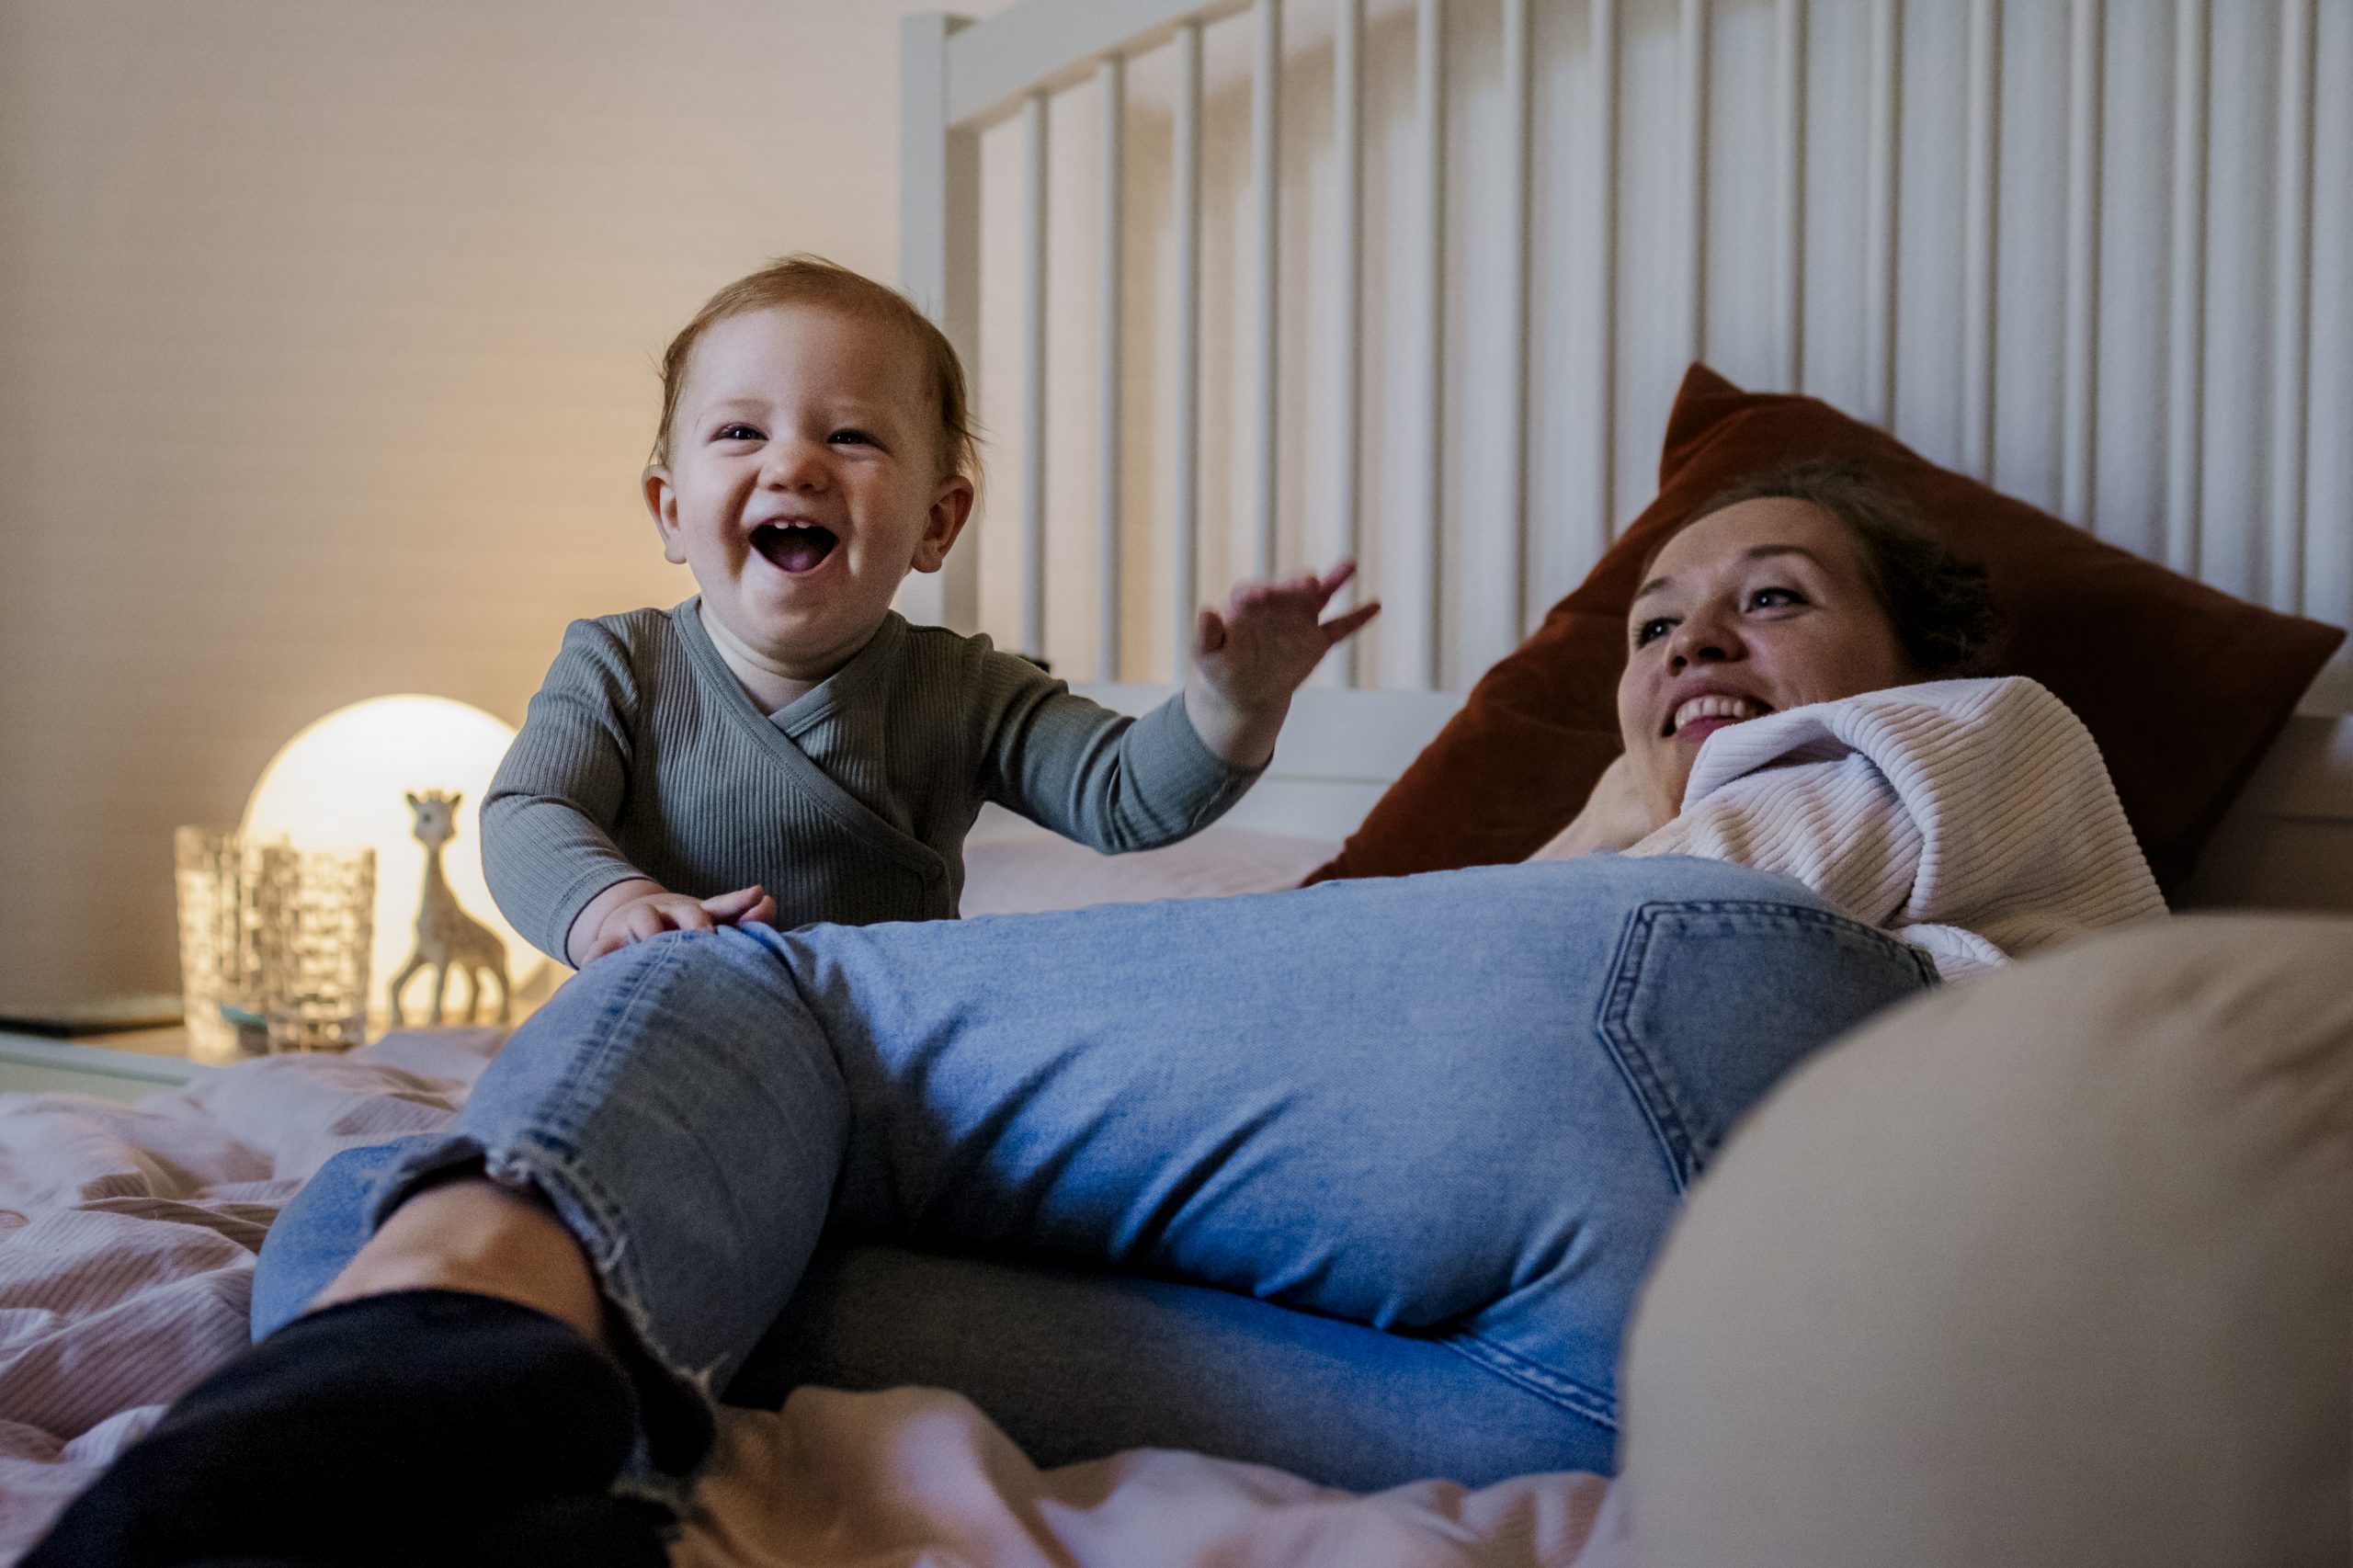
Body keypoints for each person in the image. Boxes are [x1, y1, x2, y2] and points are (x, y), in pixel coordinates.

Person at [27, 465, 2159, 1568]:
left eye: (1769, 593)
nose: (1695, 639)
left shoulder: (1972, 741)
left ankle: (423, 1331)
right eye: (1652, 621)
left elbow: (1713, 913)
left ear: (1900, 642)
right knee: (477, 1238)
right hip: (1645, 1404)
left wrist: (1626, 796)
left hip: (1773, 1092)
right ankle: (431, 1399)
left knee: (742, 988)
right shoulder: (1565, 861)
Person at [487, 254, 1379, 970]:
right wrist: (613, 906)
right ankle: (477, 1197)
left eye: (849, 436)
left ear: (935, 521)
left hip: (893, 1042)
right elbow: (529, 810)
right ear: (671, 510)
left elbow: (1122, 794)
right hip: (680, 1011)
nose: (795, 464)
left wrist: (1234, 705)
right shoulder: (617, 665)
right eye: (741, 432)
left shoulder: (964, 690)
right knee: (570, 1098)